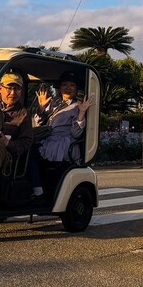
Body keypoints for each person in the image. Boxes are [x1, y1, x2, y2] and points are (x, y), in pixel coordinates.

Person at [27, 70, 95, 198]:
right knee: (26, 150)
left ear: (76, 89)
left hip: (62, 144)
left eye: (72, 85)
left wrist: (81, 113)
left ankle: (37, 189)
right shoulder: (54, 102)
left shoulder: (78, 105)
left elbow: (76, 133)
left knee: (31, 154)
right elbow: (38, 124)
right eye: (65, 85)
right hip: (48, 140)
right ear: (60, 88)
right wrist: (41, 108)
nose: (68, 88)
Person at [0, 71, 34, 199]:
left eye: (17, 89)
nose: (13, 93)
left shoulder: (23, 114)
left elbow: (27, 141)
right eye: (9, 88)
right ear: (0, 88)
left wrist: (7, 143)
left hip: (6, 154)